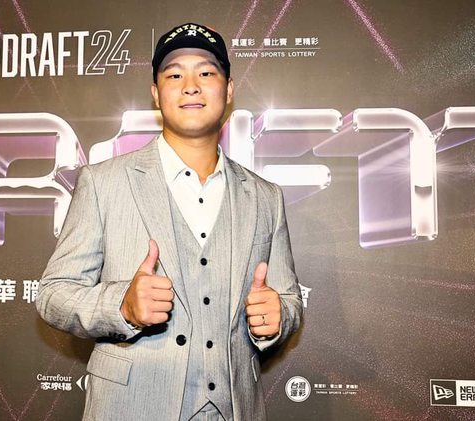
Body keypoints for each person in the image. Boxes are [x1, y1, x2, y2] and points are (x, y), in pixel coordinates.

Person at [36, 22, 303, 421]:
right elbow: (54, 294)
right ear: (156, 93)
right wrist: (121, 306)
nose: (191, 86)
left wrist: (278, 315)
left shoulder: (266, 197)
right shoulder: (103, 182)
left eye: (206, 72)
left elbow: (289, 299)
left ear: (229, 90)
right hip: (131, 409)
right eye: (174, 75)